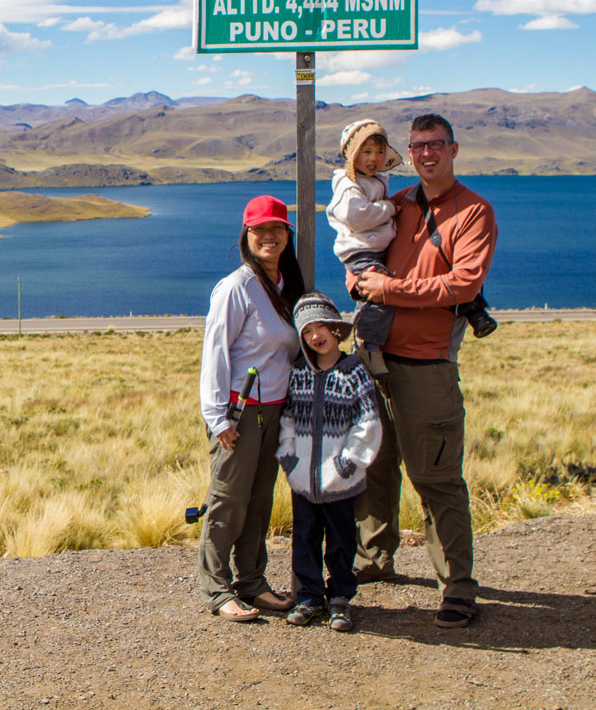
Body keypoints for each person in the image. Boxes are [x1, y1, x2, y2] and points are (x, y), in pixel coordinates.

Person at [353, 113, 498, 628]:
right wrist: (360, 282)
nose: (427, 154)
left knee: (435, 479)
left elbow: (461, 286)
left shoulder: (473, 212)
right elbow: (363, 245)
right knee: (372, 463)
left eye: (436, 145)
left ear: (453, 149)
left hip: (427, 365)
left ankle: (457, 586)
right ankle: (373, 557)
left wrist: (389, 290)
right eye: (418, 147)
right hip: (374, 360)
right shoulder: (399, 203)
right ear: (409, 154)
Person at [198, 194, 306, 621]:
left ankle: (253, 581)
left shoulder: (287, 285)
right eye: (260, 229)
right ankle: (217, 588)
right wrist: (218, 418)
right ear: (247, 234)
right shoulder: (235, 287)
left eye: (276, 229)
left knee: (261, 500)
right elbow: (216, 354)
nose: (268, 236)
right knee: (229, 499)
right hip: (239, 415)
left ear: (286, 235)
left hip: (276, 413)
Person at [277, 292, 382, 632]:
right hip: (304, 479)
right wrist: (290, 459)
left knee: (341, 539)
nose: (315, 336)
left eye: (322, 327)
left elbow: (368, 423)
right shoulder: (299, 373)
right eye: (307, 331)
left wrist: (347, 464)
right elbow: (288, 418)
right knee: (305, 537)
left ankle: (340, 598)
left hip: (341, 480)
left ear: (336, 329)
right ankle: (309, 597)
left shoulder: (354, 371)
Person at [325, 119, 405, 378]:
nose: (374, 158)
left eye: (380, 152)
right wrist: (390, 209)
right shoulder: (349, 184)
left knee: (383, 291)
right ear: (352, 155)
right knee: (380, 291)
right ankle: (367, 345)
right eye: (366, 152)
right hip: (361, 253)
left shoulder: (371, 180)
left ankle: (371, 344)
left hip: (375, 250)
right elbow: (356, 216)